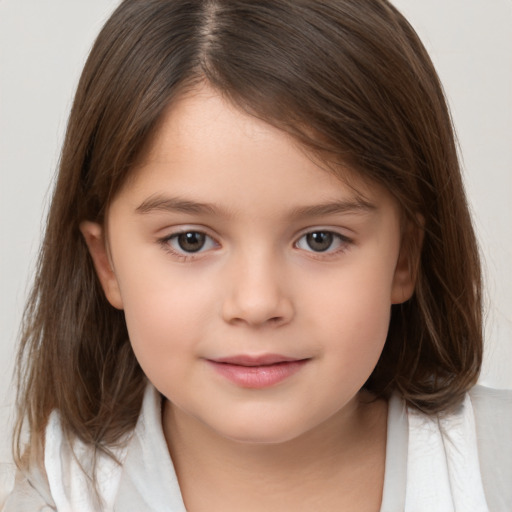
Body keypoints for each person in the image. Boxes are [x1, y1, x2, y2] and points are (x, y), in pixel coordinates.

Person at [3, 0, 511, 510]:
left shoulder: (495, 466)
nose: (257, 302)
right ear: (107, 263)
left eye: (320, 239)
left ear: (404, 257)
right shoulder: (60, 497)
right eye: (190, 240)